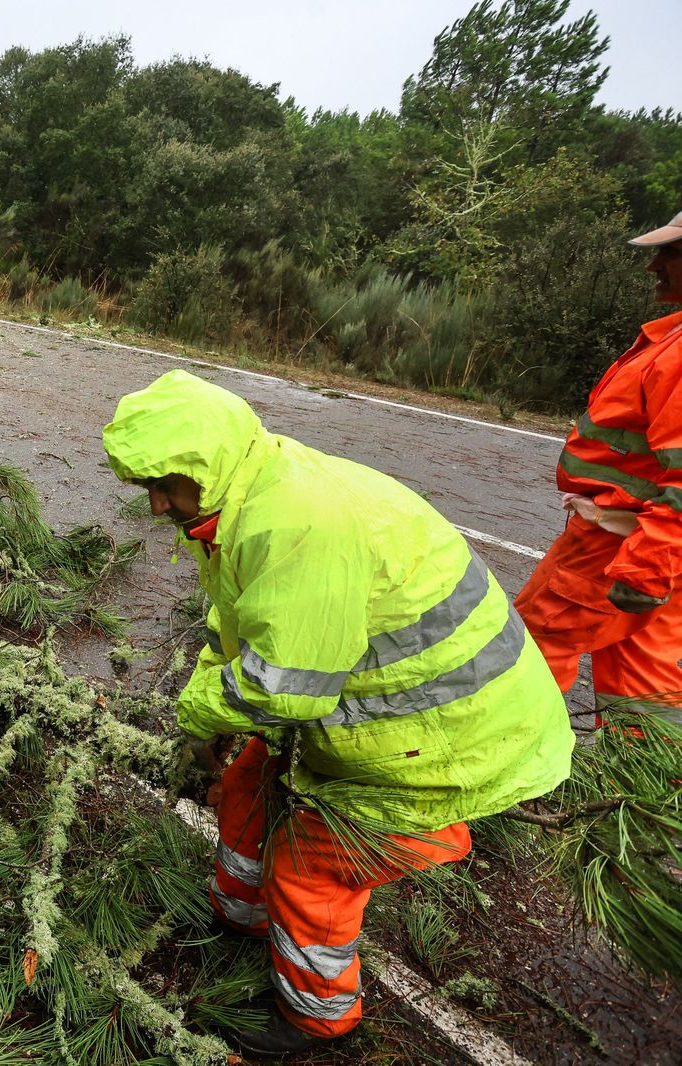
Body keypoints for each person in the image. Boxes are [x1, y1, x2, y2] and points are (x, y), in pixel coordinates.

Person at [102, 370, 573, 1057]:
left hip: (441, 743)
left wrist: (200, 716)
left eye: (166, 486)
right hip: (384, 712)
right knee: (246, 778)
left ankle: (318, 1016)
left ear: (206, 464)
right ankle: (241, 916)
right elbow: (240, 629)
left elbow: (283, 688)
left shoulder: (294, 524)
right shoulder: (244, 496)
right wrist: (216, 705)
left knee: (309, 865)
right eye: (145, 488)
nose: (155, 506)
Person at [515, 209, 682, 728]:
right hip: (656, 552)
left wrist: (645, 570)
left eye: (671, 253)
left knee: (525, 657)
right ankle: (646, 798)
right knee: (645, 690)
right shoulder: (670, 339)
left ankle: (491, 778)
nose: (654, 265)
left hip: (624, 548)